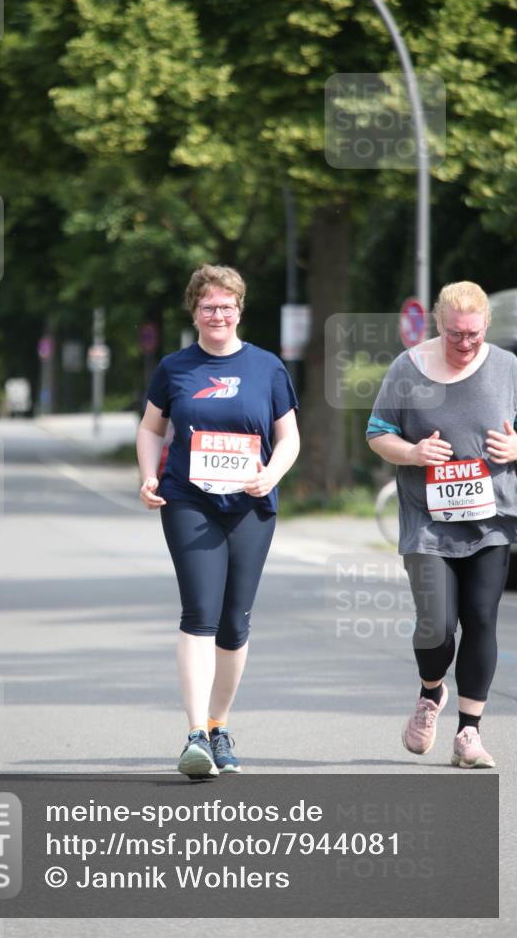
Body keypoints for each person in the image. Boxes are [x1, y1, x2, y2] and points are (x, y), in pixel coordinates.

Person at [137, 265, 300, 778]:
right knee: (200, 613)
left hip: (250, 506)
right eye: (208, 307)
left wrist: (271, 475)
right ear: (194, 312)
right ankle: (195, 735)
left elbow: (290, 437)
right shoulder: (175, 368)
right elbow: (150, 428)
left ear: (239, 310)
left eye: (226, 306)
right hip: (189, 500)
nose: (217, 315)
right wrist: (148, 475)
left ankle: (218, 724)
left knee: (234, 623)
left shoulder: (267, 368)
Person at [367, 281, 517, 769]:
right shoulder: (407, 368)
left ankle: (469, 733)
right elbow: (378, 432)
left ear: (486, 325)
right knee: (436, 626)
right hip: (428, 523)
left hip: (491, 518)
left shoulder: (508, 368)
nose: (465, 343)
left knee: (481, 618)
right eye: (455, 334)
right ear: (438, 324)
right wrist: (413, 452)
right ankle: (431, 691)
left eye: (474, 333)